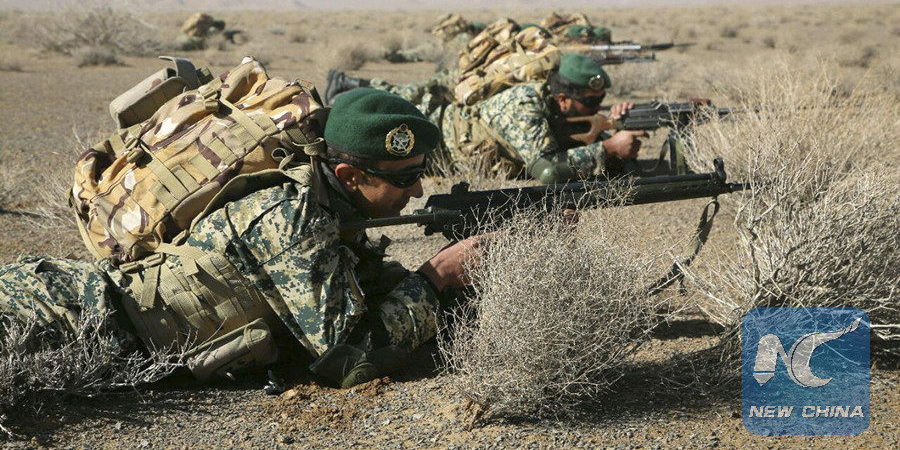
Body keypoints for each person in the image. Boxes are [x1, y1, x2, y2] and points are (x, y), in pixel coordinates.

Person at [0, 89, 477, 389]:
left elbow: (360, 296)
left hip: (88, 322)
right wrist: (436, 276)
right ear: (349, 177)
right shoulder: (292, 216)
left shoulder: (330, 208)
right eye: (404, 178)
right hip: (60, 315)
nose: (418, 191)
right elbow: (349, 360)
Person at [325, 54, 646, 183]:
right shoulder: (524, 104)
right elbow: (548, 170)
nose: (598, 106)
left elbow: (568, 140)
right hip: (431, 143)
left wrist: (613, 126)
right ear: (563, 99)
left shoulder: (555, 107)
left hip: (445, 143)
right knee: (346, 141)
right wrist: (609, 149)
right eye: (592, 102)